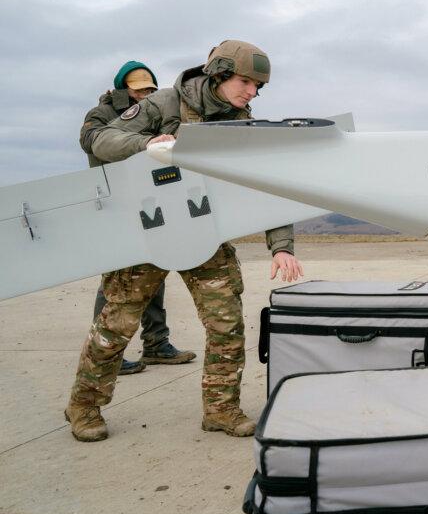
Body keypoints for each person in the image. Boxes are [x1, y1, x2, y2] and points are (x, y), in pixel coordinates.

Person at [65, 41, 304, 442]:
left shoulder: (241, 123)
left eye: (258, 86)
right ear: (220, 72)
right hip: (148, 230)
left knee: (226, 325)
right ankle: (84, 405)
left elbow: (268, 185)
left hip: (203, 232)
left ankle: (221, 409)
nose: (252, 92)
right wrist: (145, 145)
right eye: (246, 81)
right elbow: (98, 139)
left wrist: (281, 245)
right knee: (115, 327)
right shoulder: (163, 104)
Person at [80, 61, 195, 375]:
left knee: (154, 272)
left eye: (150, 90)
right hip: (116, 203)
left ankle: (157, 343)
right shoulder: (101, 115)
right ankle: (106, 353)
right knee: (115, 282)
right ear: (123, 90)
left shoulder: (154, 112)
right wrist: (142, 143)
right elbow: (94, 143)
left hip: (148, 201)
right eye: (138, 90)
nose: (145, 96)